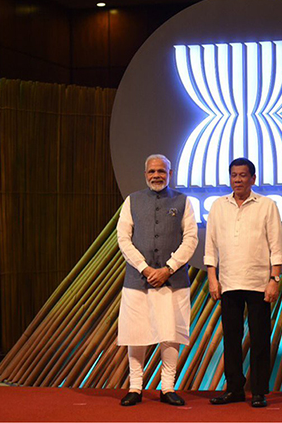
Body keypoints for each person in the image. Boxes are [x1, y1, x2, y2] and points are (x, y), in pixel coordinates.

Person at [116, 154, 198, 406]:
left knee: (170, 333)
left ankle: (168, 388)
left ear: (170, 174)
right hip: (137, 280)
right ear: (145, 174)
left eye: (161, 171)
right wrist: (144, 268)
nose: (156, 175)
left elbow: (191, 239)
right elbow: (123, 239)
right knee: (135, 333)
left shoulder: (183, 201)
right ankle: (135, 387)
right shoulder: (132, 201)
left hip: (172, 281)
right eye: (152, 171)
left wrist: (168, 269)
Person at [205, 158, 282, 408]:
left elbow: (276, 246)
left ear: (253, 178)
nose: (237, 180)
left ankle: (259, 391)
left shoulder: (267, 205)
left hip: (259, 282)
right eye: (233, 175)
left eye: (243, 175)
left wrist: (274, 279)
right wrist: (212, 277)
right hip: (228, 282)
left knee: (260, 338)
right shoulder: (218, 206)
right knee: (231, 338)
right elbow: (211, 245)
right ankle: (235, 389)